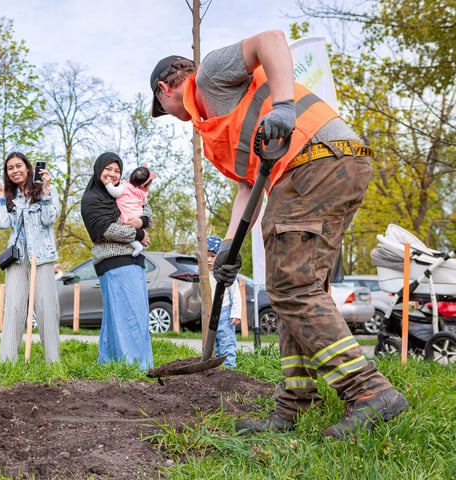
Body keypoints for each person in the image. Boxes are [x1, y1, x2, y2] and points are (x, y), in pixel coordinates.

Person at [150, 29, 408, 439]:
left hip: (313, 161)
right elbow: (247, 189)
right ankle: (295, 403)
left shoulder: (210, 74)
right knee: (297, 289)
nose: (169, 114)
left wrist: (284, 107)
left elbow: (269, 40)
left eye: (161, 107)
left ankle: (369, 391)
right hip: (330, 165)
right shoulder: (216, 125)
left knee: (291, 288)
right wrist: (230, 251)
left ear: (164, 88)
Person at [80, 152, 153, 370]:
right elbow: (103, 230)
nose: (112, 174)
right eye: (108, 169)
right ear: (98, 169)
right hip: (114, 262)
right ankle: (135, 367)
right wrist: (138, 234)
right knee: (130, 318)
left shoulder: (124, 191)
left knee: (118, 319)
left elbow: (145, 210)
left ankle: (110, 365)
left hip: (133, 261)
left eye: (117, 170)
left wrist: (141, 220)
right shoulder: (92, 199)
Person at [0, 152, 61, 364]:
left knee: (47, 308)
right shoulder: (11, 197)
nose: (15, 171)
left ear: (28, 168)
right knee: (14, 307)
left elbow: (49, 220)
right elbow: (2, 224)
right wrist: (0, 196)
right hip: (17, 258)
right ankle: (7, 361)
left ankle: (53, 362)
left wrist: (46, 191)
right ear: (7, 174)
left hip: (42, 256)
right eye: (10, 168)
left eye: (19, 166)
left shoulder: (45, 191)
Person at [205, 236, 241, 368]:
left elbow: (236, 295)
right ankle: (218, 369)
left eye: (213, 256)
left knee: (226, 342)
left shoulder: (225, 274)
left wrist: (236, 313)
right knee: (215, 345)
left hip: (224, 313)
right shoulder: (203, 276)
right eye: (206, 256)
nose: (209, 260)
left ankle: (229, 368)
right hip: (210, 315)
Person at [104, 165, 155, 257]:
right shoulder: (142, 194)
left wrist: (108, 184)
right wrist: (142, 229)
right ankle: (142, 244)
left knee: (127, 229)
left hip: (127, 215)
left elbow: (114, 192)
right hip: (138, 213)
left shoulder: (124, 186)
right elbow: (145, 205)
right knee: (135, 231)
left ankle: (138, 246)